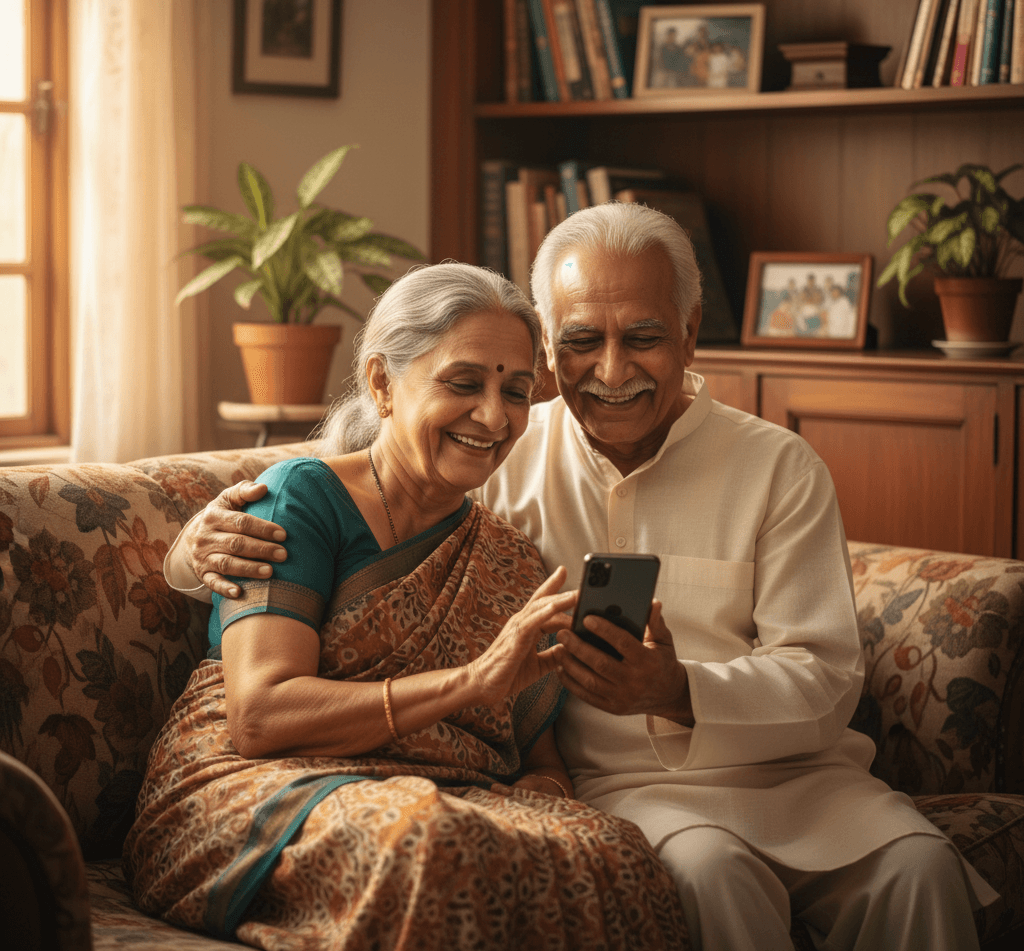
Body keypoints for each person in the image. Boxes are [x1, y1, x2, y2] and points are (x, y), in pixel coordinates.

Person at [169, 205, 999, 951]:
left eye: (642, 336)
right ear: (548, 343)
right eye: (579, 342)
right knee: (712, 872)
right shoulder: (498, 445)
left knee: (921, 868)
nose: (611, 370)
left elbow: (825, 678)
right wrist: (191, 547)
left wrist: (679, 689)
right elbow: (340, 490)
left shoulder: (777, 466)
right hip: (627, 788)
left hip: (802, 778)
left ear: (690, 331)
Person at [128, 263, 687, 950]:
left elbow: (537, 755)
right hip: (260, 786)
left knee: (613, 852)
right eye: (463, 383)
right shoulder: (300, 499)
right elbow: (260, 715)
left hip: (440, 790)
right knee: (433, 841)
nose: (494, 416)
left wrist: (543, 792)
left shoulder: (508, 557)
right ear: (383, 384)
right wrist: (468, 685)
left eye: (516, 391)